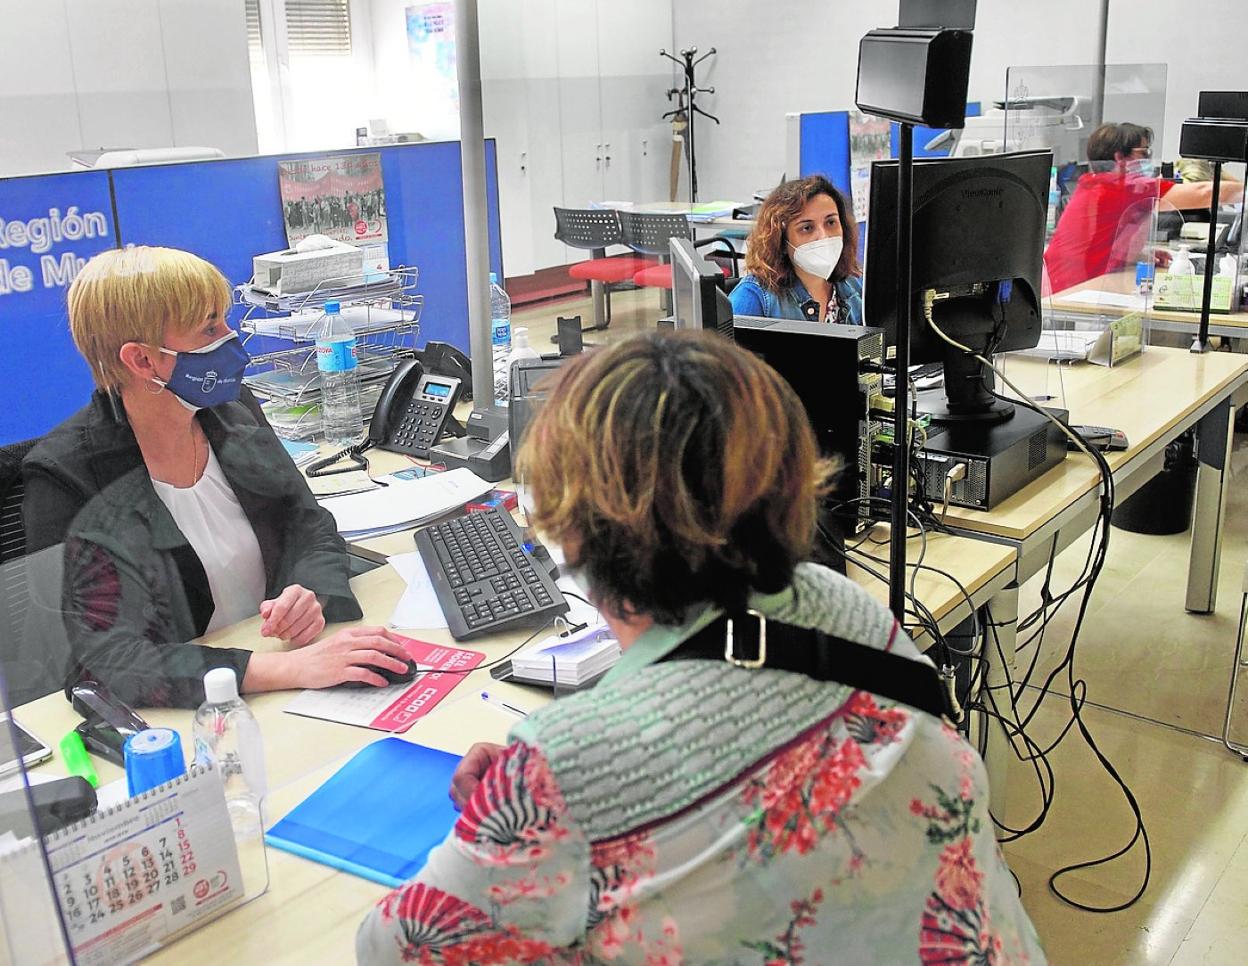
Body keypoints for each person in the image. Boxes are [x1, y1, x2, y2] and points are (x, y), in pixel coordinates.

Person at [356, 330, 1044, 963]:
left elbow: (390, 951)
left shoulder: (564, 768)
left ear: (573, 527)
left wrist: (535, 793)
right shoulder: (845, 607)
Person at [22, 246, 413, 708]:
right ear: (143, 361)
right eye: (210, 328)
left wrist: (310, 593)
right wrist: (284, 669)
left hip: (281, 665)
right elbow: (103, 662)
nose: (232, 341)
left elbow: (309, 524)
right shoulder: (66, 477)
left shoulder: (232, 413)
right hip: (199, 709)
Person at [1044, 122, 1244, 294]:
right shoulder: (1124, 186)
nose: (1148, 159)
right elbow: (1205, 193)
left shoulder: (1093, 183)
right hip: (1076, 292)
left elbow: (1098, 242)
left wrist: (1136, 254)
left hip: (1059, 285)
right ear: (1119, 158)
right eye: (1144, 153)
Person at [729, 174, 865, 324]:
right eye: (807, 228)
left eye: (831, 222)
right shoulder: (754, 297)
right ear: (781, 240)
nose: (824, 236)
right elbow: (718, 347)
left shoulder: (854, 288)